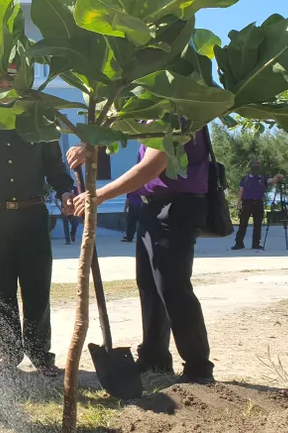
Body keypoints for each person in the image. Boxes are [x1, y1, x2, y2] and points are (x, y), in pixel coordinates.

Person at [69, 127, 216, 385]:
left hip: (176, 207)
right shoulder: (152, 108)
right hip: (151, 207)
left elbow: (152, 165)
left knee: (172, 287)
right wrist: (91, 143)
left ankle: (198, 368)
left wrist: (99, 194)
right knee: (149, 286)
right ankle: (154, 359)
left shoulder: (178, 111)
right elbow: (121, 126)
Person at [0, 70, 74, 377]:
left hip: (32, 217)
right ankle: (8, 355)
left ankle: (40, 354)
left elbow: (55, 166)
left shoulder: (39, 123)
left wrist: (66, 190)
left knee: (37, 288)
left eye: (11, 83)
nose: (5, 89)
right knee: (0, 291)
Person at [233, 160, 284, 251]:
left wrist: (278, 175)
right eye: (254, 167)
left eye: (257, 167)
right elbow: (241, 191)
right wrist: (238, 202)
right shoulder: (245, 179)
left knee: (258, 224)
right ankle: (239, 243)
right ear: (251, 168)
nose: (255, 169)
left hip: (258, 203)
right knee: (243, 224)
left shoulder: (263, 178)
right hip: (247, 203)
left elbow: (273, 180)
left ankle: (256, 243)